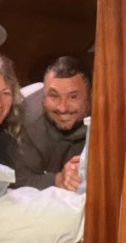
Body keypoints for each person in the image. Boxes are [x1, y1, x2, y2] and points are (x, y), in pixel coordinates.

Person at [14, 55, 91, 191]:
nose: (62, 108)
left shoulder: (111, 119)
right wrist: (58, 179)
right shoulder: (24, 121)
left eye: (73, 96)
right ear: (43, 95)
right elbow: (17, 179)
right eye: (54, 96)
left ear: (91, 96)